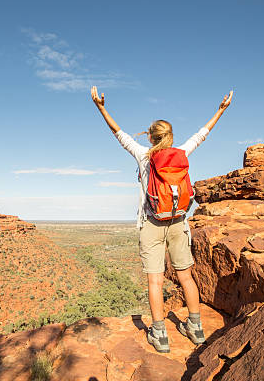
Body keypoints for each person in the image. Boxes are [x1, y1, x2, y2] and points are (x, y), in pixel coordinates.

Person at [90, 86, 233, 353]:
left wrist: (100, 106)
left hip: (151, 223)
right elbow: (202, 135)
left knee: (155, 280)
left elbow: (117, 133)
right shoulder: (181, 153)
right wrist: (221, 109)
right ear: (170, 136)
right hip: (179, 221)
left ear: (152, 136)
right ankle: (196, 328)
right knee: (186, 277)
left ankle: (160, 335)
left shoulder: (143, 155)